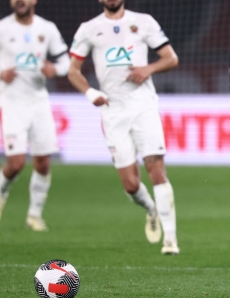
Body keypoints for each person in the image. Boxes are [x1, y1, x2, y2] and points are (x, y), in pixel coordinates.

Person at [68, 0, 179, 255]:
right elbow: (72, 70)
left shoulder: (144, 22)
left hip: (144, 106)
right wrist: (90, 93)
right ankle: (151, 209)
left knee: (156, 169)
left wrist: (148, 68)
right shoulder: (89, 28)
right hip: (113, 110)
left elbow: (171, 58)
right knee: (130, 184)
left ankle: (171, 240)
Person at [0, 0, 70, 231]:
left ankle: (34, 215)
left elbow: (66, 62)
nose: (20, 1)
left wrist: (54, 70)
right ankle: (2, 191)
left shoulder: (46, 28)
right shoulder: (3, 28)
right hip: (12, 102)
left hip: (39, 102)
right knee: (16, 163)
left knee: (42, 162)